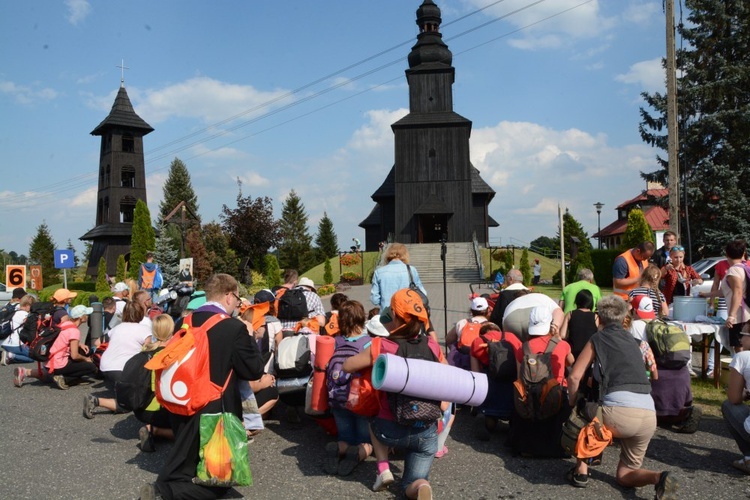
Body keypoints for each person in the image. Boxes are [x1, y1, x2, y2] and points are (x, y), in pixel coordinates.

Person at [139, 273, 265, 500]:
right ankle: (163, 492)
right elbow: (253, 370)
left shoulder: (185, 321)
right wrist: (250, 336)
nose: (238, 304)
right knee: (219, 481)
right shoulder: (234, 328)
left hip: (184, 399)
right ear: (228, 296)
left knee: (184, 463)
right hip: (216, 409)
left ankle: (162, 488)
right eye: (237, 298)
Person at [566, 295, 679, 497]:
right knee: (625, 475)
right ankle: (659, 477)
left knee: (582, 409)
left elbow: (575, 377)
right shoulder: (636, 341)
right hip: (648, 416)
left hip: (619, 415)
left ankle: (581, 471)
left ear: (598, 318)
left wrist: (572, 401)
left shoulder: (598, 339)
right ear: (624, 317)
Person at [343, 288, 446, 499]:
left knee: (372, 419)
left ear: (395, 318)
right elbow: (448, 377)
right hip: (425, 431)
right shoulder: (433, 346)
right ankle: (421, 487)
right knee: (412, 481)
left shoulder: (383, 345)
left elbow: (348, 366)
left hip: (390, 430)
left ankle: (383, 469)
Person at [508, 306, 573, 457]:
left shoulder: (523, 347)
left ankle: (526, 446)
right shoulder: (562, 345)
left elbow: (519, 376)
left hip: (530, 397)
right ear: (550, 324)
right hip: (555, 394)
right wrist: (557, 338)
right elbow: (571, 362)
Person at [324, 300, 373, 477]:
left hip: (337, 399)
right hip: (360, 401)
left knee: (345, 437)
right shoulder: (368, 343)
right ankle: (358, 453)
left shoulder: (335, 342)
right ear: (362, 319)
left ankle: (339, 448)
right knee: (365, 441)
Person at [83, 301, 152, 417]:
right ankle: (96, 401)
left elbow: (97, 342)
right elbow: (147, 352)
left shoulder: (116, 328)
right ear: (141, 314)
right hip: (122, 369)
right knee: (129, 405)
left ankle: (120, 390)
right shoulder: (145, 330)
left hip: (105, 366)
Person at [14, 305, 98, 390]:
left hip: (48, 361)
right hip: (58, 365)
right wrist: (86, 359)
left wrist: (79, 344)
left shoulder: (64, 324)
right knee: (91, 367)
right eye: (86, 314)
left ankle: (26, 372)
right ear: (81, 317)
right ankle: (65, 379)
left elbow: (62, 340)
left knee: (81, 352)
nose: (88, 316)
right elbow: (74, 356)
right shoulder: (74, 331)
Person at [470, 322, 522, 441]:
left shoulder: (478, 341)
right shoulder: (511, 337)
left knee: (490, 419)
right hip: (510, 387)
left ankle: (488, 419)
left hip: (490, 387)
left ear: (483, 332)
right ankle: (512, 424)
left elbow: (475, 373)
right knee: (513, 413)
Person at [721, 322, 750, 474]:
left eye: (743, 335)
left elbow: (734, 398)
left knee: (728, 405)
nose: (740, 339)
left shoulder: (743, 357)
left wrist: (743, 394)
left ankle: (748, 458)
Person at [370, 243, 426, 310]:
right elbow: (423, 293)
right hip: (407, 312)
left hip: (387, 314)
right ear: (405, 255)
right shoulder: (411, 270)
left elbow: (374, 299)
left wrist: (384, 302)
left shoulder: (379, 272)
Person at [445, 296, 490, 370]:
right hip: (482, 363)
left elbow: (448, 340)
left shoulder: (462, 323)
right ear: (488, 311)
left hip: (463, 362)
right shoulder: (491, 326)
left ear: (471, 311)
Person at [720, 239, 749, 353]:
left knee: (740, 350)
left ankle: (741, 371)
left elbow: (737, 292)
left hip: (739, 315)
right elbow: (730, 291)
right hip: (746, 312)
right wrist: (707, 294)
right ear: (743, 254)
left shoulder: (734, 271)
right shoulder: (745, 267)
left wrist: (731, 316)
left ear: (727, 254)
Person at [559, 289, 598, 360]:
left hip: (573, 353)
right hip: (589, 354)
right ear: (591, 302)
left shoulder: (570, 314)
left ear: (577, 301)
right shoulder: (595, 317)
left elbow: (562, 335)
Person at [1, 294, 36, 364]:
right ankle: (9, 355)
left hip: (3, 342)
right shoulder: (24, 315)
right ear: (27, 306)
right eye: (32, 307)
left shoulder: (14, 312)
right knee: (33, 357)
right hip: (14, 344)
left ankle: (6, 356)